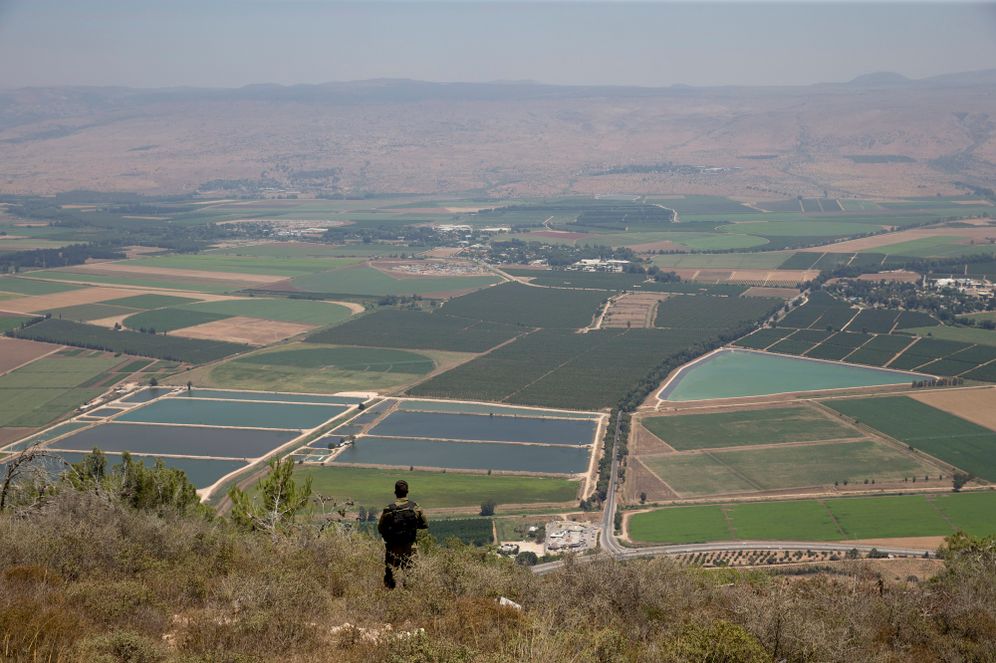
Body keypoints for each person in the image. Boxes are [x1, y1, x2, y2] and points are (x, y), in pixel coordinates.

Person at [377, 479, 428, 589]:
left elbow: (381, 528)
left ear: (395, 492)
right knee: (410, 574)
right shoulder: (415, 507)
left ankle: (389, 596)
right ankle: (409, 598)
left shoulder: (388, 510)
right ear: (407, 492)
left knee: (390, 574)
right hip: (410, 547)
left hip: (393, 548)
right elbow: (424, 525)